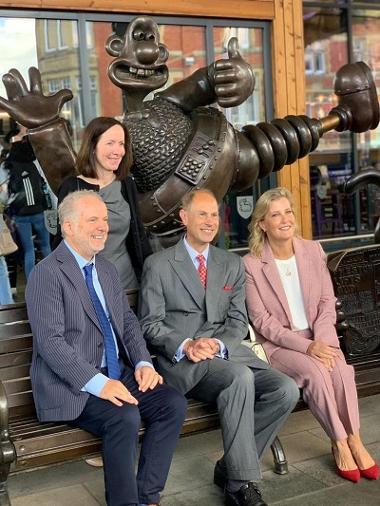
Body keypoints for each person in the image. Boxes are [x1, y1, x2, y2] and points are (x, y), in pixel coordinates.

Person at [25, 191, 187, 506]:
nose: (103, 226)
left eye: (105, 218)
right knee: (123, 416)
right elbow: (51, 343)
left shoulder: (106, 269)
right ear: (68, 227)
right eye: (93, 219)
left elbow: (127, 323)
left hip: (116, 372)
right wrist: (100, 384)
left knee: (172, 404)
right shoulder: (47, 274)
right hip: (72, 384)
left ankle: (146, 496)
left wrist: (142, 363)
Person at [139, 189, 299, 506]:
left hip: (224, 353)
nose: (210, 221)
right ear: (184, 218)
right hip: (185, 362)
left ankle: (229, 466)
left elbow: (239, 321)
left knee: (286, 389)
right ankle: (240, 485)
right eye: (202, 214)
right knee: (239, 378)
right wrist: (186, 344)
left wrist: (216, 344)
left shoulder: (230, 263)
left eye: (214, 214)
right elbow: (150, 324)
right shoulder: (159, 265)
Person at [243, 186, 379, 483]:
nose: (284, 219)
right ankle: (340, 442)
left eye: (288, 212)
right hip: (280, 345)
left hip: (320, 336)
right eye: (275, 214)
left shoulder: (313, 250)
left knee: (341, 368)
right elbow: (262, 321)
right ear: (262, 224)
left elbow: (326, 302)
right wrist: (308, 347)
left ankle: (355, 438)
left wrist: (324, 342)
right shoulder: (251, 264)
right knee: (316, 372)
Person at [56, 116, 152, 290]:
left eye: (121, 144)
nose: (118, 150)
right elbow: (59, 241)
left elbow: (139, 235)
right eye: (110, 143)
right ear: (93, 146)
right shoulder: (71, 186)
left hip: (126, 284)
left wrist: (150, 276)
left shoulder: (127, 184)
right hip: (85, 287)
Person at [5, 124, 51, 279]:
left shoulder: (9, 166)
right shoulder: (33, 163)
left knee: (29, 250)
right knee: (45, 246)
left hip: (21, 214)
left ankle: (32, 284)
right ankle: (53, 277)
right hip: (38, 210)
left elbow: (6, 193)